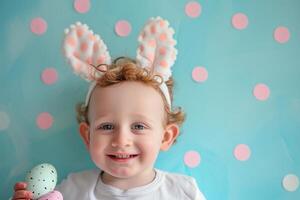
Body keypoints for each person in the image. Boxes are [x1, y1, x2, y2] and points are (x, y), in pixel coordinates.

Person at [12, 17, 206, 200]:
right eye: (106, 126)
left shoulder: (182, 192)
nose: (121, 140)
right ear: (88, 136)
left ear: (165, 137)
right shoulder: (73, 190)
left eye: (139, 126)